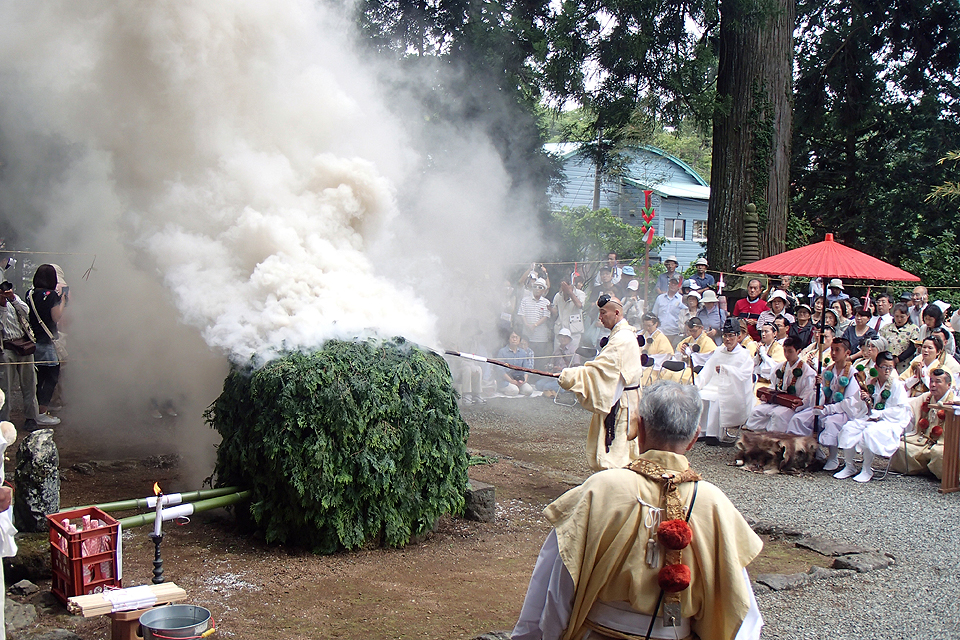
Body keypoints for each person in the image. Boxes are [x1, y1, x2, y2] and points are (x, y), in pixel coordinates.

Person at [510, 381, 763, 640]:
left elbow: (556, 585)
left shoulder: (600, 490)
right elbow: (740, 606)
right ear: (694, 437)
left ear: (639, 427)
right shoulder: (715, 503)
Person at [558, 295, 643, 470]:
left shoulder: (622, 339)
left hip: (623, 401)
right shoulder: (621, 335)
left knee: (618, 450)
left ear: (617, 313)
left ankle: (616, 485)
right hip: (624, 396)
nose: (600, 317)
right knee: (620, 447)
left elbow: (599, 370)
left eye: (603, 313)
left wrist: (571, 377)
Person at [833, 351, 912, 482]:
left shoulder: (896, 385)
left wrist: (881, 413)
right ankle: (849, 466)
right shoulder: (870, 383)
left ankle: (867, 469)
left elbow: (901, 410)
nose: (887, 371)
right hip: (869, 417)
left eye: (890, 368)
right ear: (876, 367)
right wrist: (865, 399)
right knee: (849, 427)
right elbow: (860, 406)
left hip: (888, 420)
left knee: (870, 432)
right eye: (884, 367)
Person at [787, 338, 864, 471]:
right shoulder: (828, 370)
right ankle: (811, 450)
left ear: (847, 352)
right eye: (832, 350)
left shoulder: (852, 373)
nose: (833, 353)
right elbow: (820, 396)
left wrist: (829, 409)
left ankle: (833, 457)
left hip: (841, 410)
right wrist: (819, 388)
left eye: (837, 350)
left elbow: (850, 401)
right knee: (799, 419)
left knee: (830, 422)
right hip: (824, 407)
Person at [696, 318, 755, 443]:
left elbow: (744, 375)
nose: (727, 339)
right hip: (714, 385)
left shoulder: (745, 355)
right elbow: (707, 369)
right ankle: (702, 431)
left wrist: (726, 369)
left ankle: (714, 435)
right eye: (725, 336)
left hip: (733, 390)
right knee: (700, 394)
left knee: (717, 398)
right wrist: (698, 384)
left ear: (738, 337)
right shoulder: (718, 351)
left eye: (731, 336)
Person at [890, 368, 956, 478]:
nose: (933, 385)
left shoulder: (954, 402)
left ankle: (937, 472)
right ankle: (926, 469)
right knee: (901, 447)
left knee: (940, 453)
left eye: (938, 381)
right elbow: (908, 405)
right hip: (923, 439)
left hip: (943, 442)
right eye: (931, 381)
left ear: (948, 385)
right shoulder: (927, 397)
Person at [744, 337, 818, 433]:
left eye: (790, 351)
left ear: (799, 351)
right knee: (757, 411)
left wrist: (802, 403)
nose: (787, 355)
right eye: (785, 351)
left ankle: (776, 441)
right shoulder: (779, 367)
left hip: (793, 405)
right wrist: (766, 396)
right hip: (777, 401)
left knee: (778, 415)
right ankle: (758, 439)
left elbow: (808, 395)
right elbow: (773, 386)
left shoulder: (808, 372)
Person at [0, 283, 45, 428]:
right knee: (5, 386)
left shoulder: (13, 299)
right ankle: (4, 420)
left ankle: (31, 418)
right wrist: (2, 306)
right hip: (6, 347)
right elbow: (1, 324)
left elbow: (27, 312)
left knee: (29, 384)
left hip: (24, 346)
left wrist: (12, 298)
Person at [27, 264, 64, 423]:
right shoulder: (52, 295)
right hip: (48, 341)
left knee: (37, 378)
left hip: (33, 341)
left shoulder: (30, 294)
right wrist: (62, 301)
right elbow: (56, 317)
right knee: (51, 376)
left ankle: (34, 410)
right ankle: (42, 412)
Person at [663, 318, 716, 384]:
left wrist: (690, 354)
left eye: (694, 331)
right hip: (685, 367)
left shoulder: (708, 342)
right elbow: (676, 357)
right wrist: (681, 354)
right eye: (690, 331)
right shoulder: (686, 341)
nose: (692, 333)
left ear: (701, 328)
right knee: (667, 374)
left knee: (678, 377)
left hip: (697, 370)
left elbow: (706, 360)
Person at [537, 329, 581, 397]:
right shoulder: (557, 350)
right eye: (561, 337)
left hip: (566, 377)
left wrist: (561, 369)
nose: (563, 339)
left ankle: (566, 389)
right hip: (555, 376)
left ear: (569, 339)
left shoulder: (574, 350)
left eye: (565, 337)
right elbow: (552, 362)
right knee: (538, 384)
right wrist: (549, 367)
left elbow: (577, 368)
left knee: (547, 386)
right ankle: (554, 390)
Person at [519, 278, 553, 359]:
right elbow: (521, 314)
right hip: (527, 335)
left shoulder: (546, 302)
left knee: (538, 358)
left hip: (540, 337)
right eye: (535, 287)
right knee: (525, 356)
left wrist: (534, 325)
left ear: (544, 290)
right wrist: (527, 324)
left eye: (540, 287)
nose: (537, 289)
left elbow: (546, 316)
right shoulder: (525, 300)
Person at [881, 302, 919, 373]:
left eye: (902, 317)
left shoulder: (913, 329)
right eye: (897, 316)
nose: (899, 319)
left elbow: (912, 347)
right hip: (887, 363)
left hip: (905, 365)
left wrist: (898, 359)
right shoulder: (886, 328)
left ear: (907, 316)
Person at [552, 278, 586, 351]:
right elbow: (555, 312)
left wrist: (570, 293)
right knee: (558, 354)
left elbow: (579, 305)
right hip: (560, 329)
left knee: (573, 354)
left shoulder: (580, 294)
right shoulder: (558, 295)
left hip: (574, 330)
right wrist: (550, 309)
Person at [640, 313, 674, 386]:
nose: (647, 328)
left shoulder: (662, 338)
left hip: (655, 368)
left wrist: (647, 360)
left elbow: (664, 356)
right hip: (640, 365)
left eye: (649, 326)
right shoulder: (641, 334)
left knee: (644, 377)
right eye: (645, 326)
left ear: (656, 324)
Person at [496, 332, 534, 396]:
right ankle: (503, 388)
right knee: (514, 391)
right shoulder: (502, 351)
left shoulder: (522, 352)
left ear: (519, 340)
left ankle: (518, 388)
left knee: (529, 390)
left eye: (517, 337)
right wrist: (511, 381)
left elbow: (526, 369)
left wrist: (524, 380)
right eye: (512, 337)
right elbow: (500, 370)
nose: (514, 339)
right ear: (509, 339)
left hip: (519, 380)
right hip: (506, 380)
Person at [652, 276, 685, 348]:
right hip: (660, 332)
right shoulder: (660, 298)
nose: (673, 285)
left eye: (675, 283)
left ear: (679, 286)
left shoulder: (682, 300)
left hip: (675, 334)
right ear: (669, 284)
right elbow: (654, 314)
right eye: (672, 283)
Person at [754, 323, 785, 391]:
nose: (763, 334)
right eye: (762, 331)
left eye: (766, 331)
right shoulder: (762, 346)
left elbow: (774, 367)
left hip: (769, 384)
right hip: (758, 380)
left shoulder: (778, 348)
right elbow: (755, 364)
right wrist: (758, 356)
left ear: (774, 333)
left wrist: (763, 354)